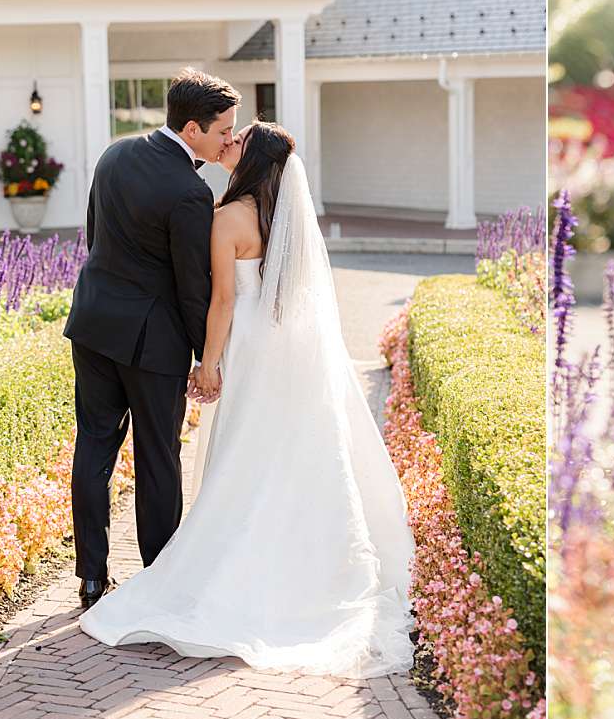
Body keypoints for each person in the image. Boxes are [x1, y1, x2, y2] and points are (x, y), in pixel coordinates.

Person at [80, 122, 415, 676]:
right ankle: (308, 563)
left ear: (251, 159)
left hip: (251, 345)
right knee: (289, 446)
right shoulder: (282, 213)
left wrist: (207, 364)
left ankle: (228, 563)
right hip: (289, 342)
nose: (227, 143)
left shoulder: (226, 216)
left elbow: (223, 303)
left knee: (245, 450)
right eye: (225, 135)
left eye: (237, 141)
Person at [64, 68, 236, 610]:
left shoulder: (113, 155)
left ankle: (91, 578)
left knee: (93, 444)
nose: (228, 139)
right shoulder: (190, 191)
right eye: (222, 130)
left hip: (91, 323)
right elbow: (193, 288)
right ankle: (159, 575)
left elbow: (95, 235)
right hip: (152, 344)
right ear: (191, 129)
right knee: (158, 456)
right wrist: (209, 356)